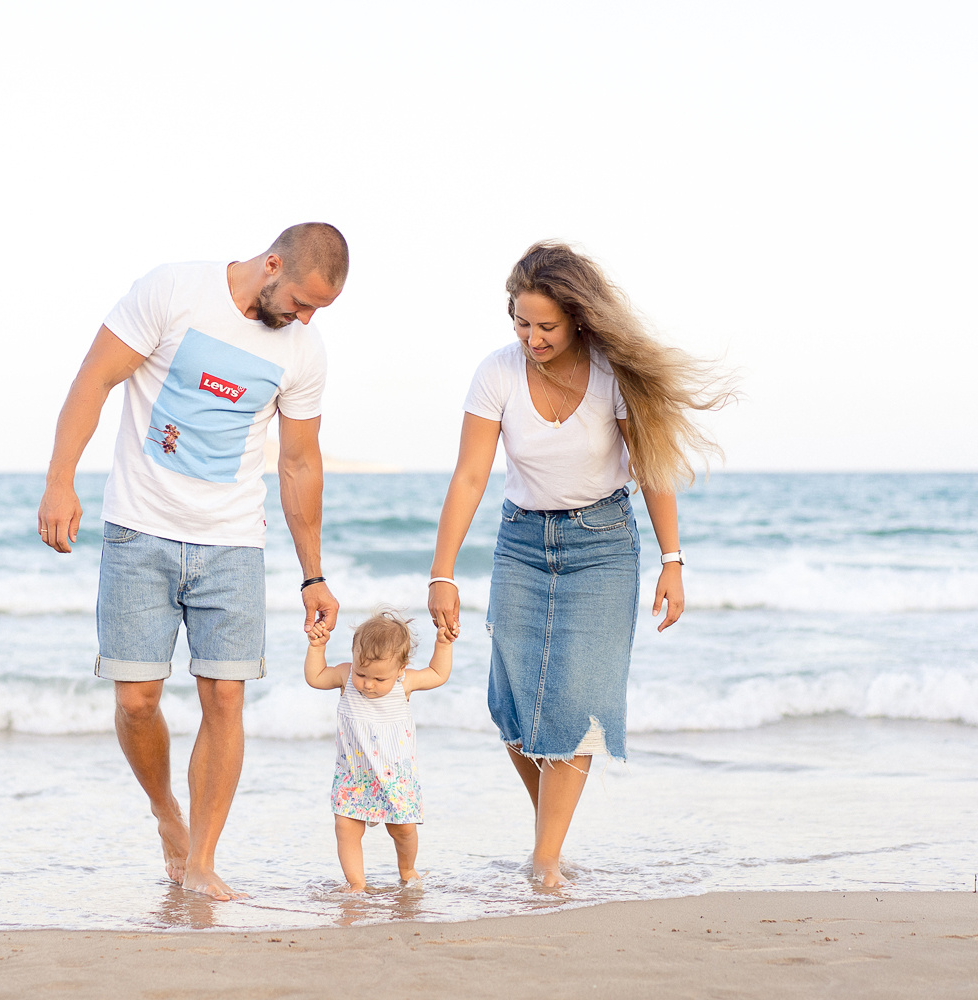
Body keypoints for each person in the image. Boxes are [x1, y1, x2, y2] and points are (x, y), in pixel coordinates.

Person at [37, 223, 349, 901]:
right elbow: (94, 380)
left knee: (226, 697)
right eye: (302, 302)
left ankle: (203, 858)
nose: (306, 318)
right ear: (272, 265)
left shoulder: (304, 351)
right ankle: (165, 813)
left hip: (233, 543)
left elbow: (299, 463)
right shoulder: (174, 290)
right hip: (138, 530)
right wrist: (61, 480)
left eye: (318, 310)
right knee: (136, 701)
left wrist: (314, 574)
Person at [427, 241, 731, 887]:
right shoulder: (497, 373)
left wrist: (673, 560)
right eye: (521, 323)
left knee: (577, 701)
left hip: (603, 545)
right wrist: (442, 573)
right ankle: (552, 838)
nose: (532, 338)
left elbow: (653, 467)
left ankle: (545, 860)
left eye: (547, 326)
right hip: (520, 544)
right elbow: (471, 475)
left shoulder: (611, 375)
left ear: (578, 319)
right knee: (512, 704)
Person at [304, 608, 453, 892]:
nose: (368, 684)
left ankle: (407, 868)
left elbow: (437, 673)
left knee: (403, 830)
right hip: (354, 775)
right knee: (346, 829)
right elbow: (316, 677)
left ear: (400, 669)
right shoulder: (345, 676)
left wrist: (443, 644)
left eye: (379, 679)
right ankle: (356, 882)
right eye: (362, 674)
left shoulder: (404, 682)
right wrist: (317, 647)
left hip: (395, 778)